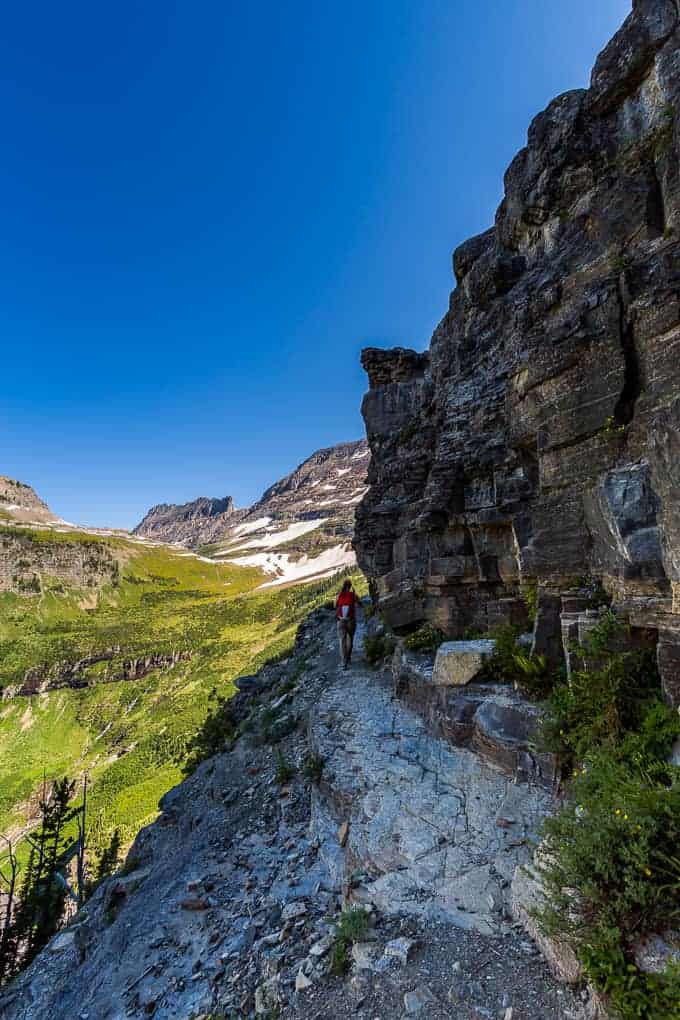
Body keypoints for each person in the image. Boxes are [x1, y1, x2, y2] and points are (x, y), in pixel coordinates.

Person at [335, 579, 359, 669]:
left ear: (343, 586)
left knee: (342, 641)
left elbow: (335, 606)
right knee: (350, 639)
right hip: (350, 620)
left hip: (340, 620)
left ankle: (343, 662)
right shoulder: (353, 595)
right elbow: (358, 603)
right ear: (350, 586)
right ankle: (348, 657)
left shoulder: (339, 595)